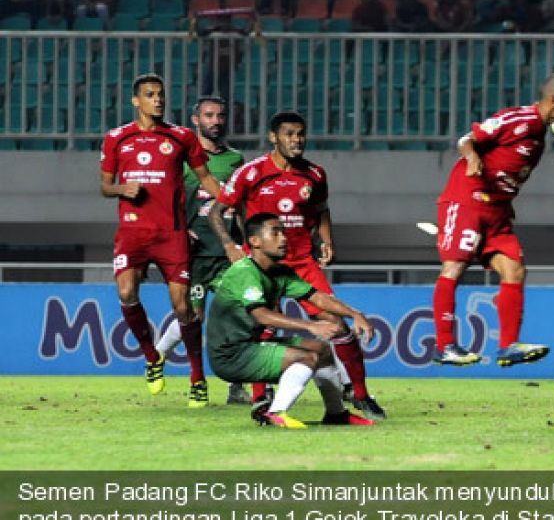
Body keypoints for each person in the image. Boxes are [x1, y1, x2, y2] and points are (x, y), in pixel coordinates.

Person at [210, 112, 385, 420]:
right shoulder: (251, 172)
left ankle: (360, 394)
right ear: (274, 138)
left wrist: (327, 240)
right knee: (260, 327)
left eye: (300, 134)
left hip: (302, 260)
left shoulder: (315, 174)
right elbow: (216, 211)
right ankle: (261, 398)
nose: (297, 140)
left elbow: (321, 210)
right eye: (289, 134)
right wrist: (230, 246)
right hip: (265, 265)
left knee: (337, 324)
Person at [432, 74, 554, 367]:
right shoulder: (518, 120)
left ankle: (508, 346)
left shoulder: (539, 134)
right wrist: (473, 158)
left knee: (515, 270)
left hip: (498, 211)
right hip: (468, 200)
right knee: (454, 266)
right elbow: (467, 139)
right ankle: (444, 345)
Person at [99, 73, 221, 406]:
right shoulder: (116, 138)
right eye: (150, 95)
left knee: (183, 307)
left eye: (161, 94)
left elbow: (205, 177)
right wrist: (122, 189)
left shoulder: (181, 137)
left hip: (172, 234)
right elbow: (105, 186)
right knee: (126, 292)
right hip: (133, 232)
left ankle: (197, 377)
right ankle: (153, 357)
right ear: (136, 101)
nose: (158, 100)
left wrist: (232, 200)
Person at [207, 213, 375, 429]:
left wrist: (355, 314)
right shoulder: (244, 272)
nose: (284, 238)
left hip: (251, 345)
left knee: (322, 350)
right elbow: (261, 315)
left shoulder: (280, 272)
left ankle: (337, 414)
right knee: (307, 358)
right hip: (231, 354)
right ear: (254, 241)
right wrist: (310, 325)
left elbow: (317, 297)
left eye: (283, 232)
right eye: (275, 232)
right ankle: (275, 413)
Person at [152, 96, 246, 406]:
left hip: (225, 253)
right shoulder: (180, 158)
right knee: (192, 317)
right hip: (191, 254)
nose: (215, 121)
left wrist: (243, 243)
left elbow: (241, 205)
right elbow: (163, 196)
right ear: (196, 120)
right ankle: (158, 354)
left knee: (240, 314)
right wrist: (177, 228)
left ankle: (237, 388)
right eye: (209, 115)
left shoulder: (235, 159)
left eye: (220, 115)